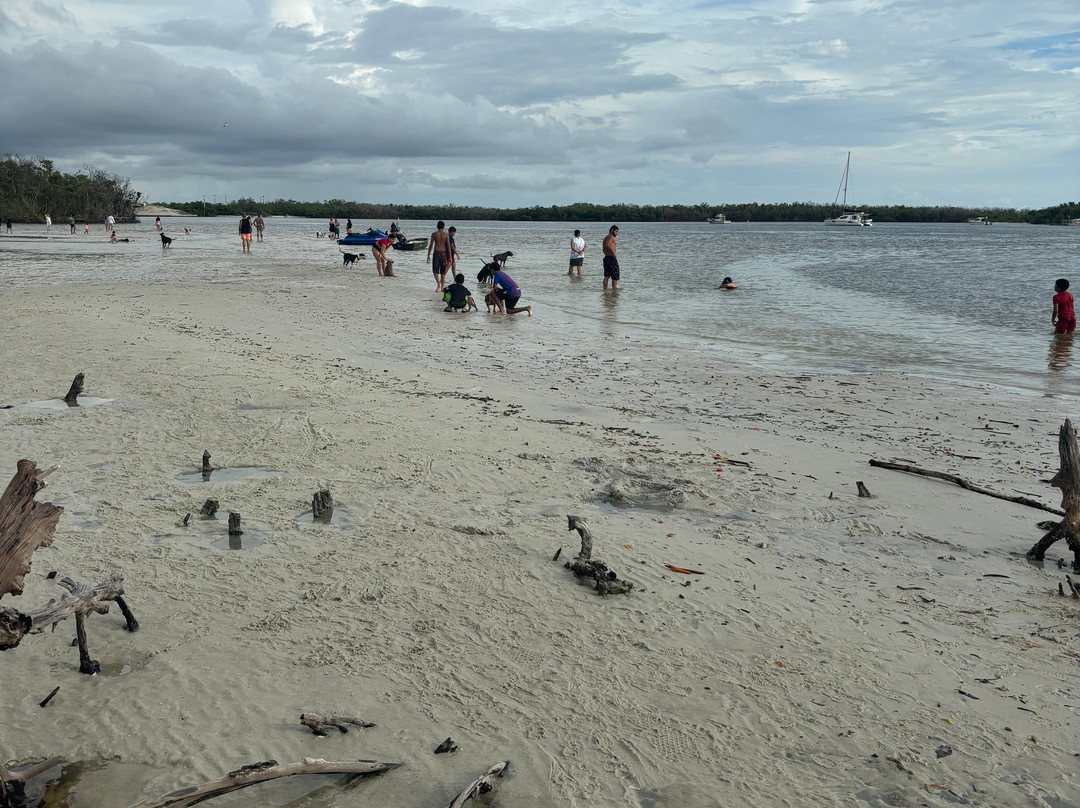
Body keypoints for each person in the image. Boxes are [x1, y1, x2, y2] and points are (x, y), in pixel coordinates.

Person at [426, 221, 452, 292]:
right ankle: (442, 286)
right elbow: (448, 246)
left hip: (436, 253)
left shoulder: (434, 234)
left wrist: (428, 255)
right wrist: (449, 257)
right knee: (443, 272)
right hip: (443, 253)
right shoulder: (446, 235)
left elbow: (431, 245)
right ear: (443, 227)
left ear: (437, 226)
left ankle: (438, 284)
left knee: (435, 270)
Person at [602, 225, 620, 290]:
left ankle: (605, 290)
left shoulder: (606, 237)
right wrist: (613, 253)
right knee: (615, 276)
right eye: (616, 231)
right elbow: (607, 245)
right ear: (612, 230)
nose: (616, 233)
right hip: (611, 258)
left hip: (606, 258)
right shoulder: (611, 237)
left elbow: (604, 248)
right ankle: (614, 291)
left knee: (607, 276)